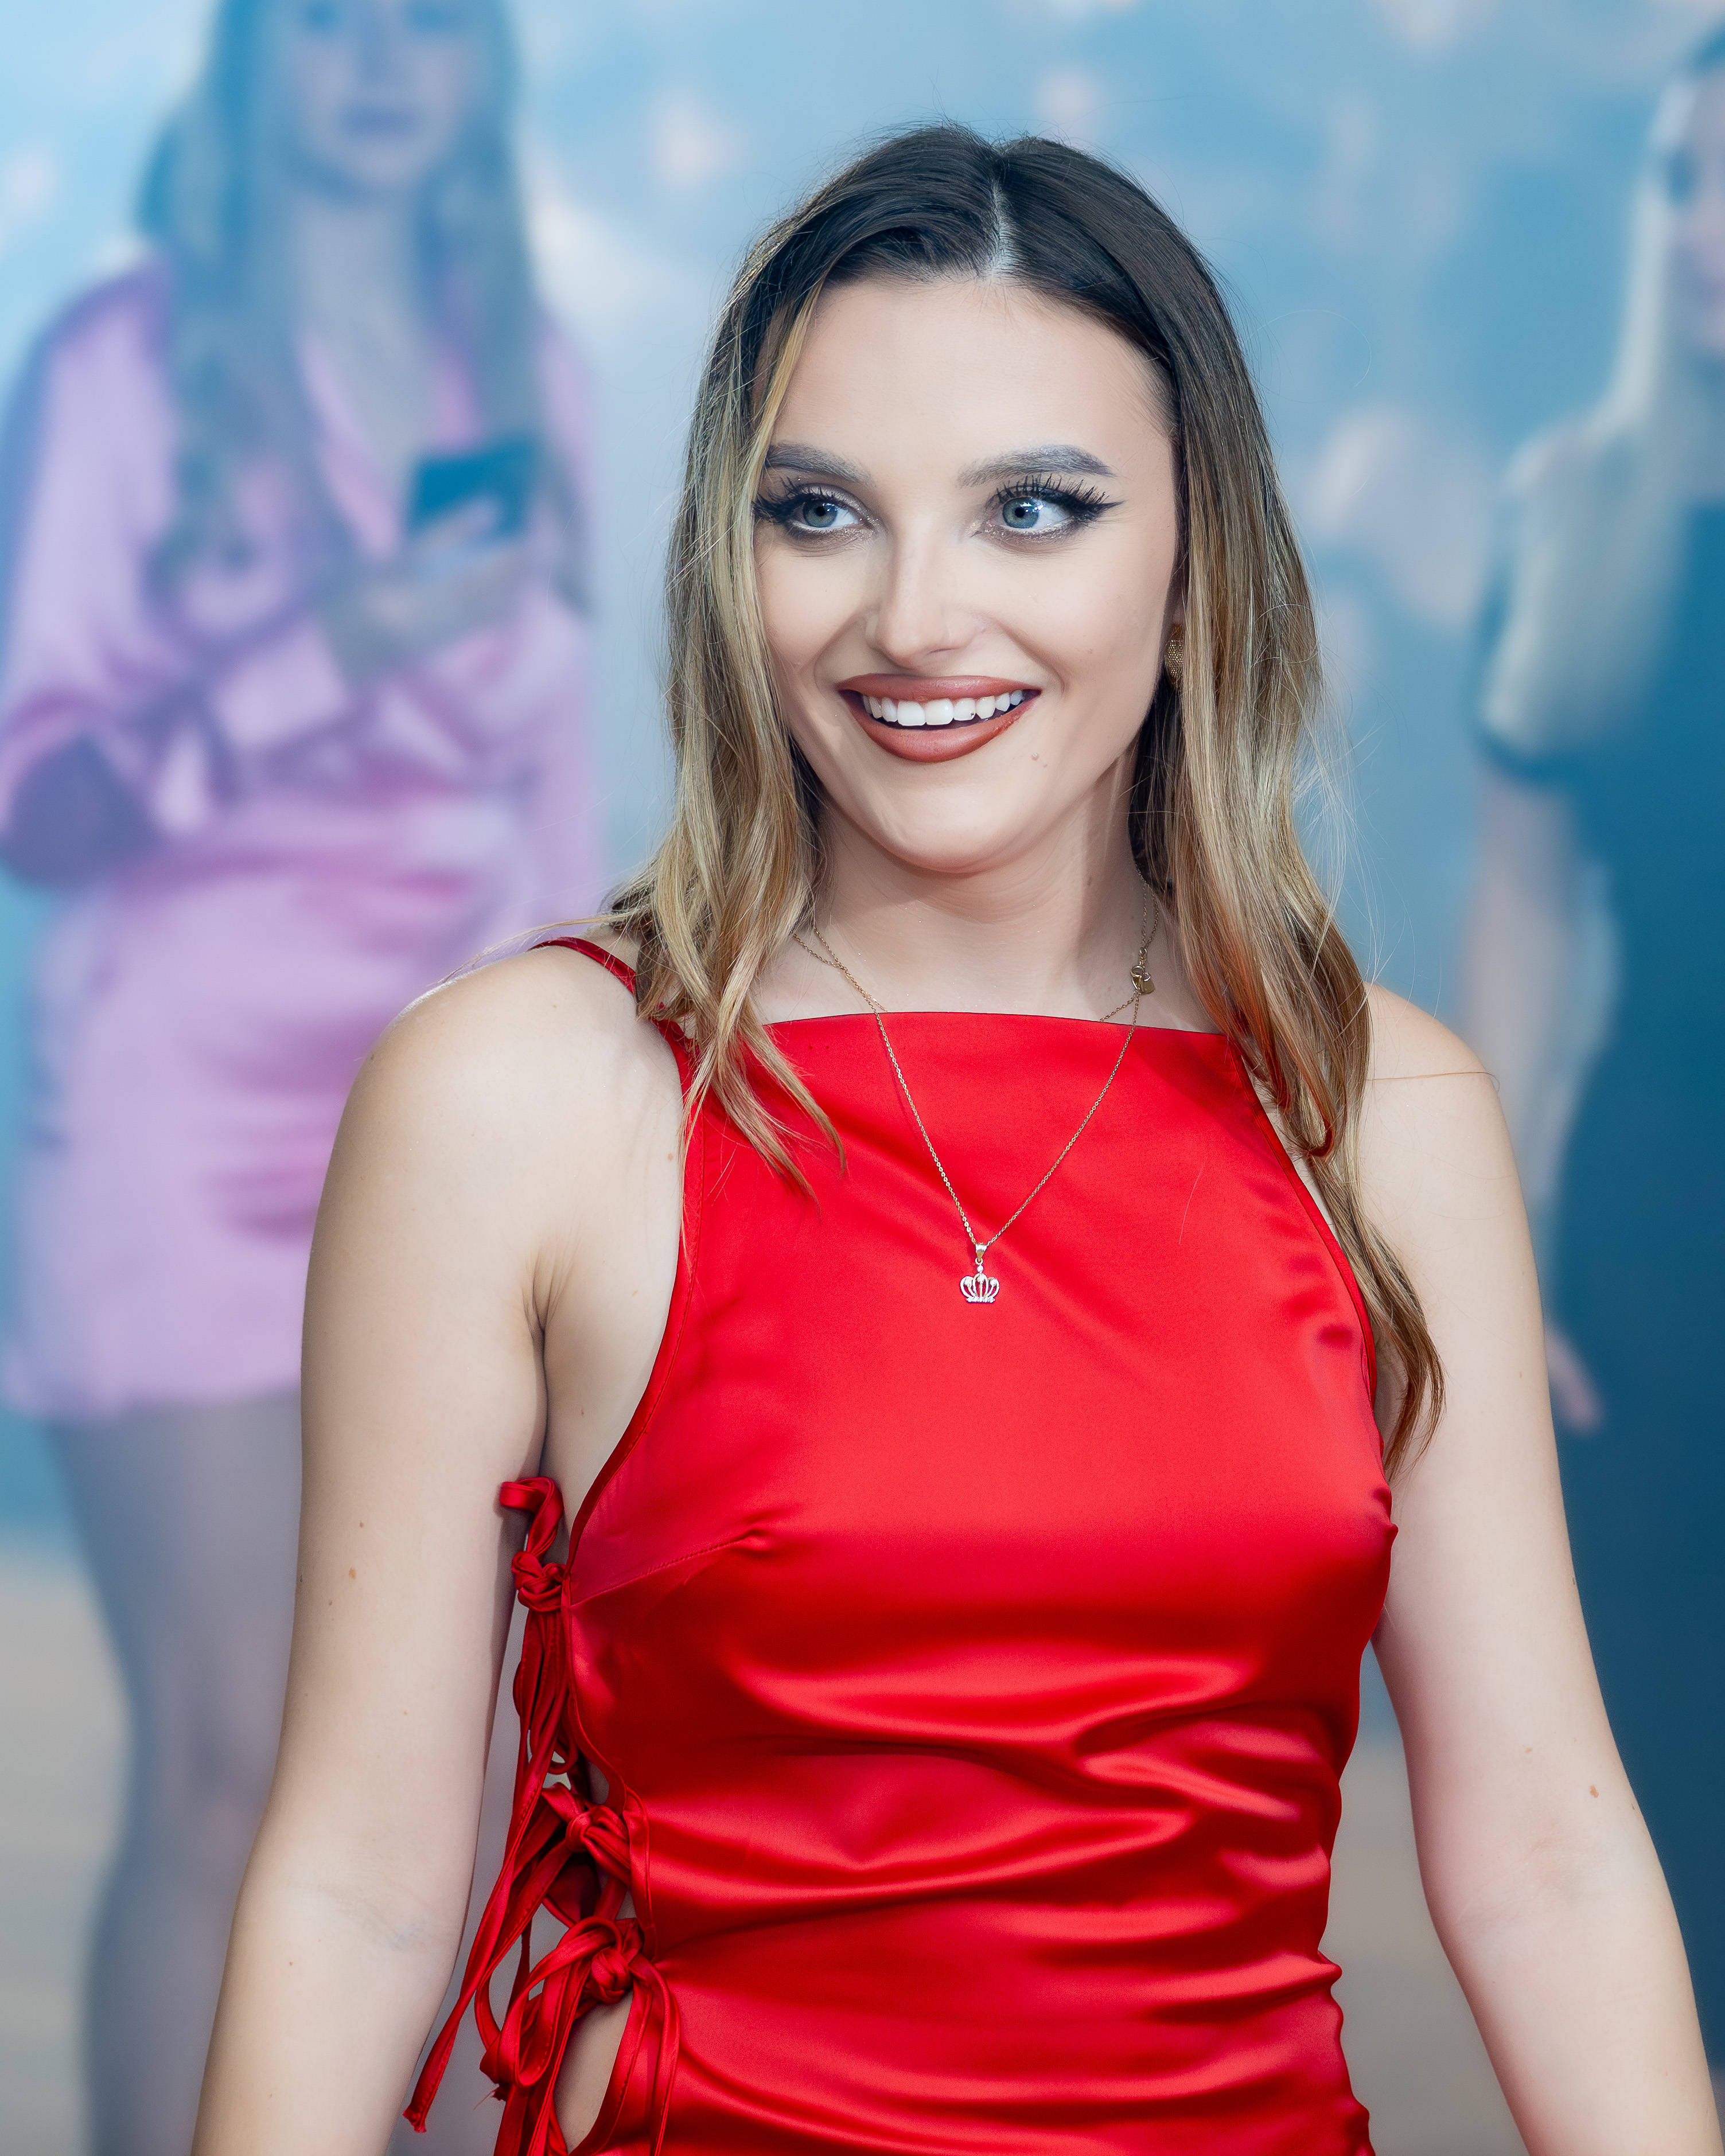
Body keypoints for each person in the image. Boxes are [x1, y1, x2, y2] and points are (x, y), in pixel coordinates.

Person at [195, 127, 1718, 2154]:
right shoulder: (520, 1094)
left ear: (1194, 561)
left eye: (1033, 510)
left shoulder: (1383, 1112)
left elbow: (1547, 1858)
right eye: (820, 510)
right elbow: (359, 1891)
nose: (916, 615)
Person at [0, 2, 597, 2150]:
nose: (379, 62)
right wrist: (319, 659)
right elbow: (32, 801)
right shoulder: (119, 363)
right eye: (329, 17)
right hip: (175, 1109)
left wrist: (591, 1089)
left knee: (443, 1777)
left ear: (485, 72)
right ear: (249, 61)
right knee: (229, 1766)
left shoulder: (529, 368)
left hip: (455, 1119)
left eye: (429, 20)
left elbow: (547, 782)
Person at [1460, 26, 1725, 2102]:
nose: (1708, 233)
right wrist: (1500, 1258)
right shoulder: (1583, 512)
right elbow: (1527, 915)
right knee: (1672, 1845)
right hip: (1657, 1239)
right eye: (1681, 182)